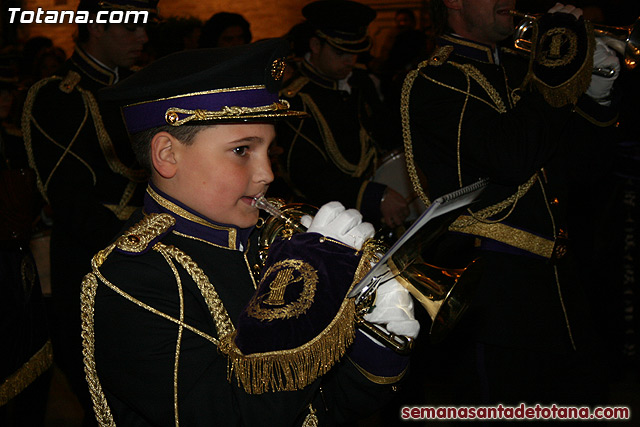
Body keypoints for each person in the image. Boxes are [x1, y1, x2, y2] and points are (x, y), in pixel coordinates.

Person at [80, 38, 420, 425]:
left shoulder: (265, 242)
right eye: (242, 150)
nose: (268, 174)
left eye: (269, 151)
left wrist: (374, 339)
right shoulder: (131, 277)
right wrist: (305, 285)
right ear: (167, 155)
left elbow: (326, 407)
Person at [401, 0, 620, 411]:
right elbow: (511, 157)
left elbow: (589, 168)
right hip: (496, 300)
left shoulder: (522, 70)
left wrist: (596, 91)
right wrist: (556, 63)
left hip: (562, 289)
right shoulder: (434, 79)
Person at [21, 0, 156, 423]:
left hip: (153, 261)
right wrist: (146, 235)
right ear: (96, 27)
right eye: (131, 28)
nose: (143, 38)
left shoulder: (143, 86)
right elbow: (68, 201)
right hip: (92, 267)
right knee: (105, 400)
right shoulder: (55, 96)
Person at [277, 0, 410, 231]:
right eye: (340, 52)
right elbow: (307, 174)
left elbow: (384, 132)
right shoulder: (296, 98)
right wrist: (372, 196)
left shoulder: (360, 81)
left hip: (375, 212)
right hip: (326, 220)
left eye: (355, 53)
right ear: (316, 45)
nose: (350, 61)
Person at [1, 54, 52, 427]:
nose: (4, 98)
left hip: (15, 259)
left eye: (8, 90)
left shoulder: (20, 140)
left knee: (28, 343)